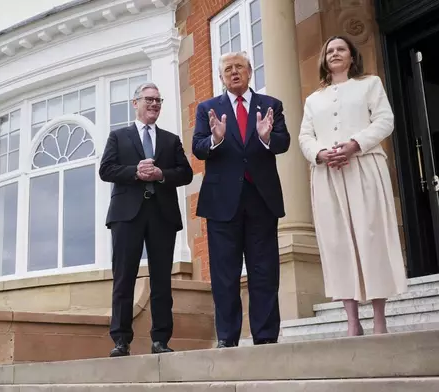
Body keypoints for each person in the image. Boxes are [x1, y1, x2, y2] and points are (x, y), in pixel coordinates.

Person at [298, 35, 408, 336]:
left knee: (370, 238)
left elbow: (385, 121)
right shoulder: (313, 99)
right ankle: (352, 322)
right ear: (324, 58)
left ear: (351, 56)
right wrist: (320, 154)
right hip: (328, 176)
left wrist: (355, 144)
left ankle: (379, 319)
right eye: (330, 50)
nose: (335, 53)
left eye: (341, 49)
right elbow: (304, 136)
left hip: (364, 168)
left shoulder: (370, 84)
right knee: (337, 244)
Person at [192, 52, 290, 347]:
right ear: (221, 77)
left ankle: (265, 336)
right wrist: (216, 139)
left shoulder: (270, 105)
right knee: (225, 275)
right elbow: (198, 147)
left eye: (239, 67)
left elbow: (283, 142)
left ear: (250, 71)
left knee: (264, 271)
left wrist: (265, 137)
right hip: (222, 203)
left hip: (261, 199)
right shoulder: (208, 108)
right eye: (227, 69)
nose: (234, 72)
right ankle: (227, 338)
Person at [99, 82, 193, 357]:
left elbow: (185, 174)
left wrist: (160, 174)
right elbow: (106, 169)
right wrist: (135, 172)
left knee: (162, 279)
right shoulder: (119, 136)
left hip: (162, 214)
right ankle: (120, 340)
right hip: (127, 215)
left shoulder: (170, 139)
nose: (154, 104)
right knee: (124, 277)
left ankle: (161, 340)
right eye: (149, 99)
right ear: (135, 103)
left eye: (158, 100)